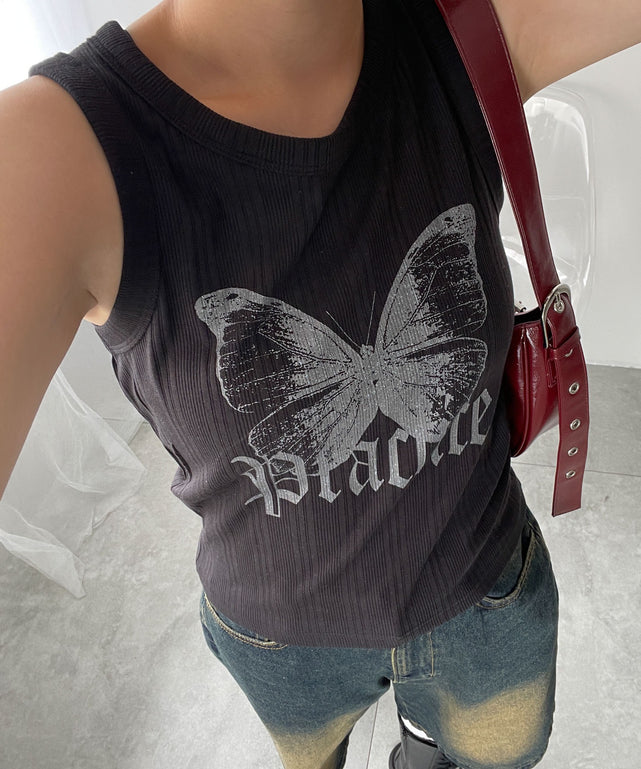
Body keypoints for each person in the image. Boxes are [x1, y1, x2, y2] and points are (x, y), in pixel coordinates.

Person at [1, 1, 640, 768]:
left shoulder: (477, 29)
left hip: (484, 594)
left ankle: (420, 740)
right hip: (282, 643)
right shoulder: (49, 152)